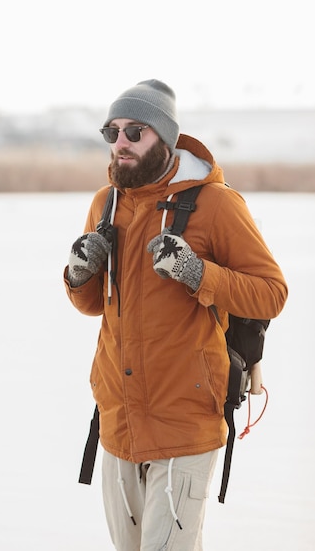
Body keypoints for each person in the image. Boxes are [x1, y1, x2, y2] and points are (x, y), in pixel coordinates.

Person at [63, 79, 288, 551]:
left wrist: (196, 272)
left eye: (134, 132)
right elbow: (89, 305)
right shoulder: (106, 204)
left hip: (185, 421)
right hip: (118, 420)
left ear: (164, 139)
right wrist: (79, 273)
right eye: (112, 132)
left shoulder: (216, 203)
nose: (120, 143)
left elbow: (271, 293)